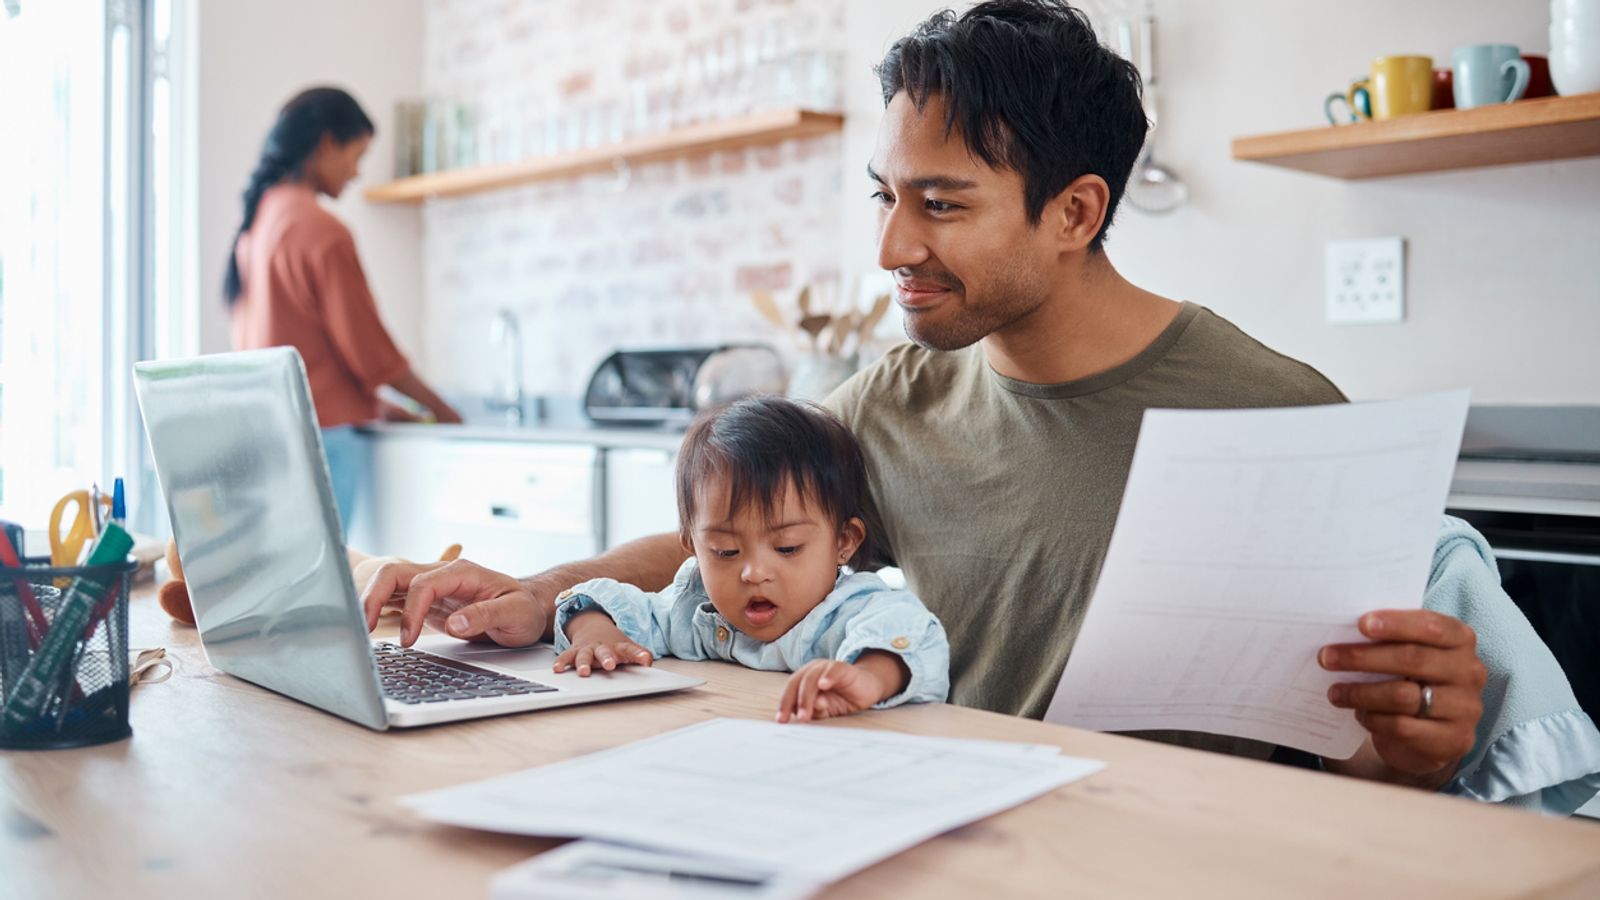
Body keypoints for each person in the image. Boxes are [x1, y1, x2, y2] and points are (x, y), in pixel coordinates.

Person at [360, 2, 1600, 812]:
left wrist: (1421, 751)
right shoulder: (893, 398)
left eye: (941, 205)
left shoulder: (1279, 417)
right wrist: (539, 591)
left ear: (1075, 212)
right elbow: (732, 536)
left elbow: (1369, 777)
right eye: (885, 196)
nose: (892, 245)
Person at [548, 396, 948, 721]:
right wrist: (594, 633)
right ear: (693, 546)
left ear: (844, 542)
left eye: (787, 548)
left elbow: (910, 634)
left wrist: (866, 678)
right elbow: (609, 603)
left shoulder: (850, 611)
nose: (754, 573)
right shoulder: (697, 611)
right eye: (725, 551)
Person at [226, 86, 461, 531]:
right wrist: (445, 413)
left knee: (291, 569)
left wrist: (371, 403)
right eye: (357, 156)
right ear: (328, 143)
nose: (356, 173)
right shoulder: (321, 229)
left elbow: (293, 345)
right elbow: (371, 354)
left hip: (268, 432)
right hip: (323, 439)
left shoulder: (256, 223)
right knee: (333, 569)